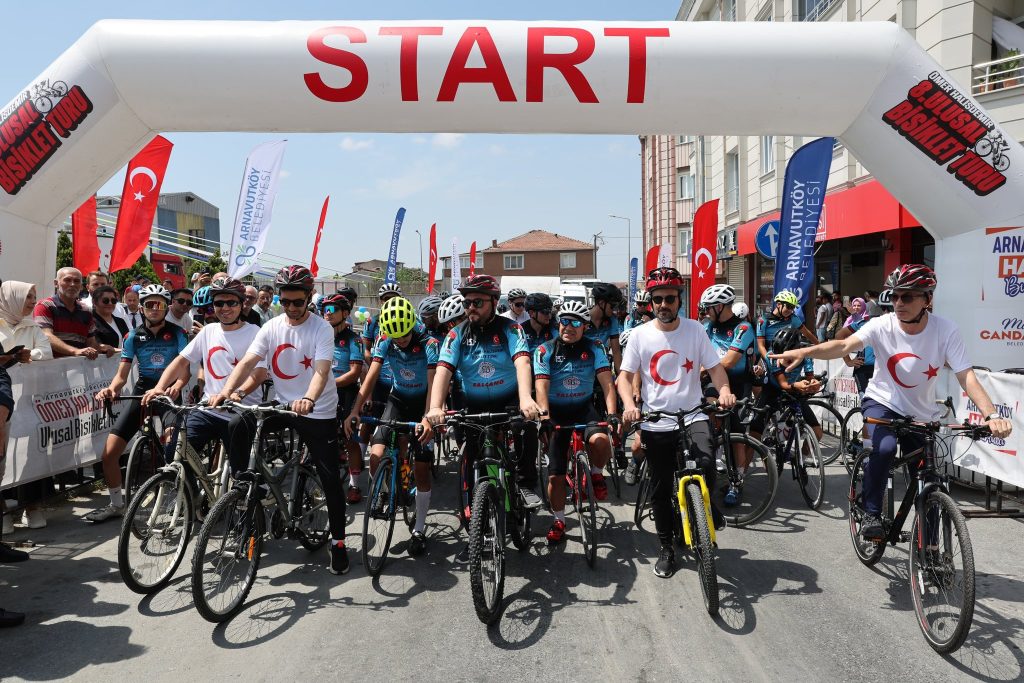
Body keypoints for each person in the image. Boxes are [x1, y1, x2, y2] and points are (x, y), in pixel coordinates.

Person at [771, 264, 1013, 541]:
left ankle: (931, 551)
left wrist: (991, 415)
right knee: (883, 449)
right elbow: (843, 346)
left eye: (907, 297)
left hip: (922, 413)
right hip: (881, 402)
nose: (898, 303)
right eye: (895, 296)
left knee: (930, 480)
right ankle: (871, 512)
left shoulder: (945, 330)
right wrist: (805, 351)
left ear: (928, 299)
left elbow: (966, 376)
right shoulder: (881, 324)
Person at [210, 265, 350, 575]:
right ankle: (248, 487)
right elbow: (248, 362)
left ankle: (339, 542)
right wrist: (226, 391)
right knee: (237, 425)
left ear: (309, 297)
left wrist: (309, 399)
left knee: (329, 477)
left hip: (316, 409)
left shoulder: (321, 329)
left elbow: (321, 371)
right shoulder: (271, 326)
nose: (291, 308)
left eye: (297, 302)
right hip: (283, 404)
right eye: (285, 301)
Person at [617, 267, 735, 578]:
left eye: (670, 298)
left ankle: (705, 507)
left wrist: (724, 390)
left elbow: (715, 368)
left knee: (707, 463)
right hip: (656, 422)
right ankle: (667, 548)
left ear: (679, 300)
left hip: (693, 414)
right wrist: (629, 405)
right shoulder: (640, 335)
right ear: (651, 302)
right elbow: (624, 378)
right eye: (658, 299)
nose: (664, 304)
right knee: (659, 490)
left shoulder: (695, 330)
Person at [426, 274, 542, 519]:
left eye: (477, 302)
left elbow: (522, 362)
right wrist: (435, 406)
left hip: (509, 400)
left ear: (494, 301)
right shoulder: (456, 334)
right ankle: (476, 512)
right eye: (467, 302)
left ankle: (525, 484)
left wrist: (525, 398)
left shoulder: (511, 328)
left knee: (527, 427)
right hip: (473, 403)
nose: (470, 307)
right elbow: (443, 370)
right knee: (472, 456)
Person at [87, 285, 188, 522]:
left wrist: (178, 385)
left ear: (166, 308)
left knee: (174, 449)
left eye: (159, 304)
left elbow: (185, 369)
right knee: (109, 454)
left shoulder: (178, 333)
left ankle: (183, 496)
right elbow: (122, 375)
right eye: (149, 304)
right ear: (141, 308)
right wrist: (111, 389)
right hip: (142, 393)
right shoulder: (133, 336)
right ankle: (116, 504)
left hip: (168, 394)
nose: (155, 309)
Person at [346, 296, 437, 556]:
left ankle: (418, 528)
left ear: (412, 327)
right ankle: (386, 490)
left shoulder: (429, 343)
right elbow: (371, 377)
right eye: (395, 337)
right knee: (375, 455)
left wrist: (428, 417)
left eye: (404, 336)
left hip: (423, 402)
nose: (400, 341)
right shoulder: (385, 338)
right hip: (397, 399)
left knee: (421, 470)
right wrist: (354, 410)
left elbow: (434, 384)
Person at [144, 277, 263, 467]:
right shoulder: (209, 331)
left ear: (241, 304)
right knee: (174, 455)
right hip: (208, 409)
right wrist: (160, 387)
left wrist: (238, 394)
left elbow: (259, 374)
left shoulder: (255, 333)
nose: (225, 308)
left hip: (241, 411)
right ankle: (192, 486)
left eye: (231, 303)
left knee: (240, 474)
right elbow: (181, 361)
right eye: (219, 303)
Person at [534, 300, 618, 542]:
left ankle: (596, 473)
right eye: (564, 321)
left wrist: (612, 413)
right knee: (555, 477)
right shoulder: (545, 350)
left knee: (601, 441)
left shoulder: (595, 347)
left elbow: (607, 383)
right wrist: (544, 417)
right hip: (556, 413)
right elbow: (541, 386)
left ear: (585, 327)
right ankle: (559, 520)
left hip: (583, 409)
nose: (568, 327)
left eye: (575, 323)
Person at [0, 282, 53, 532]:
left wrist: (28, 355)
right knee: (2, 453)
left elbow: (46, 352)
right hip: (3, 400)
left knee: (29, 452)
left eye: (34, 297)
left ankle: (32, 506)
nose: (32, 301)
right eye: (27, 297)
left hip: (30, 400)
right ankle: (3, 511)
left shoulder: (33, 327)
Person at [699, 284, 758, 506]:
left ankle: (737, 481)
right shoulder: (708, 326)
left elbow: (730, 361)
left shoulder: (744, 327)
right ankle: (711, 456)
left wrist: (703, 369)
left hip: (739, 384)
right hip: (713, 382)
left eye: (709, 307)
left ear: (721, 306)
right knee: (710, 412)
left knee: (736, 436)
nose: (706, 311)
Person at [747, 326, 824, 455]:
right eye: (781, 354)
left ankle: (801, 460)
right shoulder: (772, 356)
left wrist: (814, 384)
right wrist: (797, 385)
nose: (783, 358)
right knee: (754, 436)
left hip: (793, 392)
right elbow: (783, 384)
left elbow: (810, 378)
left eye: (787, 356)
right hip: (771, 392)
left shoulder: (804, 355)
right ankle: (745, 467)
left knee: (817, 433)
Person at [320, 292, 365, 504]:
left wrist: (328, 384)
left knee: (350, 440)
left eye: (332, 310)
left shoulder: (354, 339)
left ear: (345, 313)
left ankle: (355, 485)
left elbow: (355, 373)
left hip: (346, 393)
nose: (327, 313)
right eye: (324, 310)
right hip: (323, 393)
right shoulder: (320, 335)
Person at [33, 267, 102, 359]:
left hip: (79, 365)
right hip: (50, 366)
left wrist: (106, 349)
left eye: (77, 281)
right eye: (67, 280)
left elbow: (91, 341)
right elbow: (46, 336)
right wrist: (75, 351)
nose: (72, 284)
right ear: (56, 283)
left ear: (81, 286)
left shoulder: (86, 310)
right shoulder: (45, 306)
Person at [755, 290, 817, 365]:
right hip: (770, 357)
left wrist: (820, 346)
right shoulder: (763, 320)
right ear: (778, 304)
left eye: (793, 307)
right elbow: (761, 346)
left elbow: (807, 333)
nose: (791, 310)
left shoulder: (793, 318)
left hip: (787, 358)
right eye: (789, 306)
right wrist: (769, 360)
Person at [836, 297, 874, 401]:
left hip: (882, 369)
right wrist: (848, 361)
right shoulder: (864, 322)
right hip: (863, 367)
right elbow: (839, 335)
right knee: (866, 402)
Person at [586, 283, 624, 371]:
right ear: (602, 303)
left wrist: (621, 375)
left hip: (602, 366)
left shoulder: (612, 320)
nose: (615, 310)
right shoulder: (583, 320)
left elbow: (616, 352)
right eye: (613, 306)